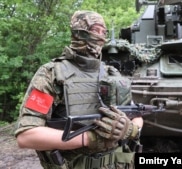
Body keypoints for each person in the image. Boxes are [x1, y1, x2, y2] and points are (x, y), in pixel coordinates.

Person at [15, 10, 143, 169]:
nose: (101, 36)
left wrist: (130, 129)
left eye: (104, 32)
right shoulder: (52, 74)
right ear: (79, 32)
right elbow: (26, 136)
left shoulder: (112, 73)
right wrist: (89, 139)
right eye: (96, 30)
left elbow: (136, 114)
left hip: (119, 163)